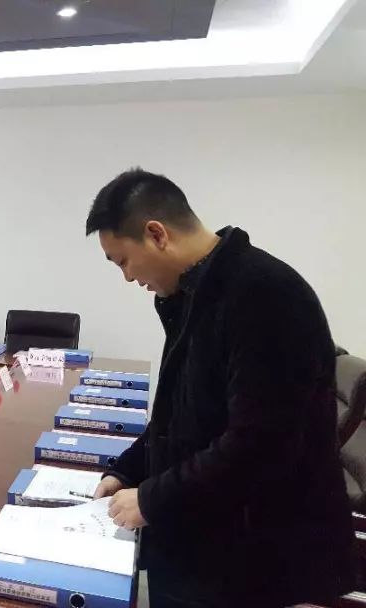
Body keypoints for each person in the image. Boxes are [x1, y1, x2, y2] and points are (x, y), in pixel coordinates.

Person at [85, 168, 353, 607]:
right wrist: (126, 470)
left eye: (123, 261)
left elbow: (259, 446)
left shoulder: (265, 294)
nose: (128, 278)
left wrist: (151, 499)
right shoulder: (192, 295)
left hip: (256, 559)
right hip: (205, 540)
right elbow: (178, 415)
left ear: (156, 234)